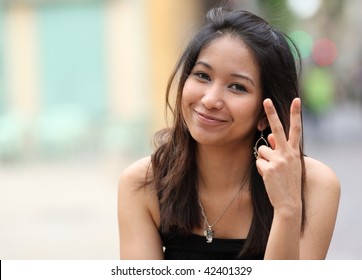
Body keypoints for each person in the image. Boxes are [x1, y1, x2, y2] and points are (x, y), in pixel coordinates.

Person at [117, 7, 340, 260]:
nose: (210, 99)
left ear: (263, 115)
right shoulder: (142, 184)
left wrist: (287, 208)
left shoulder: (313, 186)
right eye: (202, 75)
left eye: (237, 86)